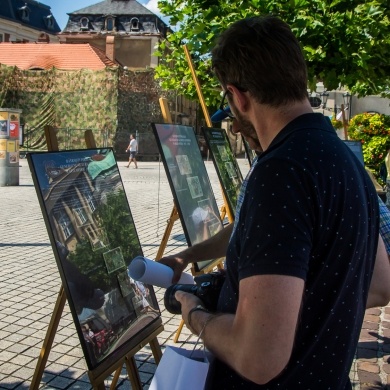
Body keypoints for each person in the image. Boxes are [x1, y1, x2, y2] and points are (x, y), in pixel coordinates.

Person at [158, 15, 390, 389]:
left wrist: (196, 314)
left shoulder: (280, 171)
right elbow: (379, 283)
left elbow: (258, 356)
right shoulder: (347, 161)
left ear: (238, 97)